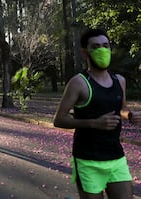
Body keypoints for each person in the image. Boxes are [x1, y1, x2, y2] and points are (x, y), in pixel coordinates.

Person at [53, 28, 140, 199]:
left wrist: (129, 115)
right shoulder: (79, 83)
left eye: (106, 45)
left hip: (116, 156)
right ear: (85, 52)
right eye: (96, 46)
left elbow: (121, 108)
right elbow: (59, 120)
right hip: (88, 160)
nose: (102, 50)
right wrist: (94, 123)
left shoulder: (119, 81)